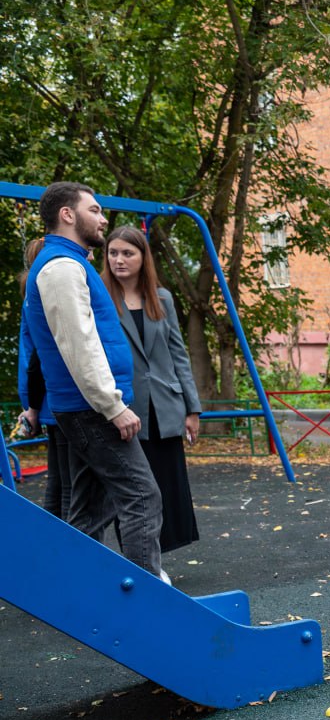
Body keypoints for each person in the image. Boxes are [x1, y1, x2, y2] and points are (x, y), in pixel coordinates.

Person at [24, 182, 164, 579]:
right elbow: (78, 345)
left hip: (85, 407)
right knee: (141, 496)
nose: (103, 219)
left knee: (90, 508)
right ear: (67, 215)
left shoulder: (69, 262)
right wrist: (112, 405)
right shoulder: (61, 268)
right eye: (95, 210)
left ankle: (71, 587)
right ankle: (145, 597)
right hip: (91, 409)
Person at [102, 226, 202, 554]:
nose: (119, 259)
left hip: (165, 405)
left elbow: (178, 354)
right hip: (125, 408)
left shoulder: (162, 299)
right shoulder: (100, 298)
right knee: (133, 489)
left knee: (168, 484)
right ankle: (141, 556)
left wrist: (192, 408)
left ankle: (161, 559)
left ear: (143, 257)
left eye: (127, 253)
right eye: (113, 253)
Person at [18, 237, 72, 520]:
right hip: (58, 395)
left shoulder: (30, 298)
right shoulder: (47, 297)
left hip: (46, 396)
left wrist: (30, 402)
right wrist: (33, 404)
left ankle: (53, 533)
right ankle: (68, 537)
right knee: (70, 482)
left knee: (59, 479)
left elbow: (29, 355)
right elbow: (39, 355)